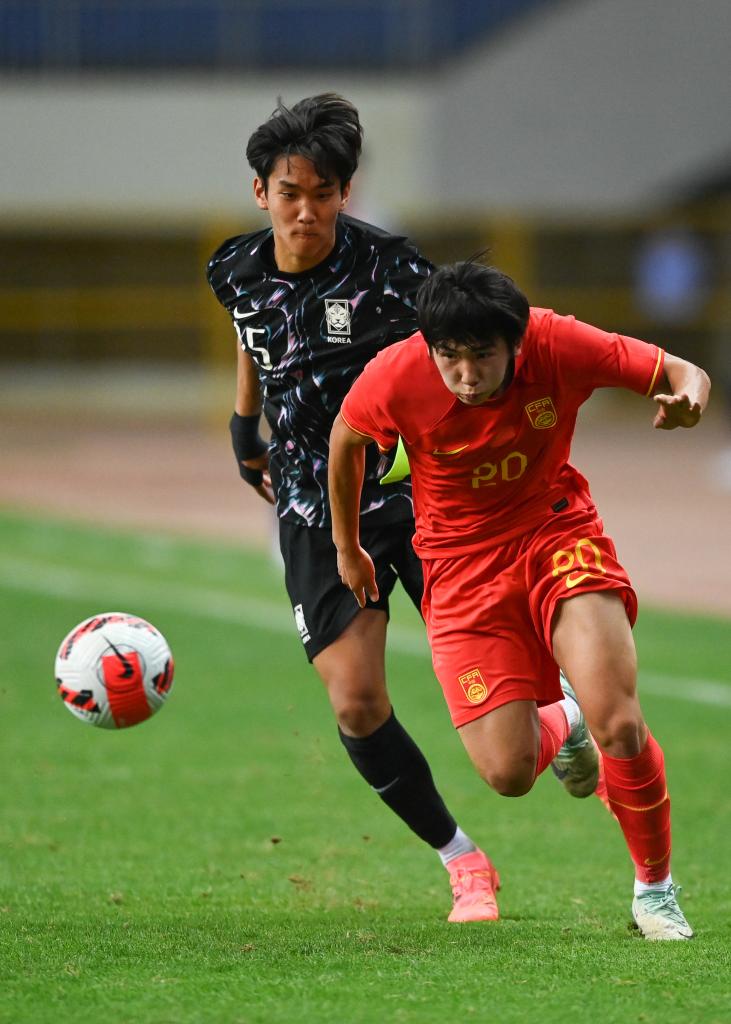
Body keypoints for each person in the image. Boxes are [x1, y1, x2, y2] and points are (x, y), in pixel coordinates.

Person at [329, 257, 711, 940]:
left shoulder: (558, 342)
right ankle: (564, 721)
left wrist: (688, 397)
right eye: (450, 357)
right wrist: (346, 546)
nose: (466, 375)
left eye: (482, 356)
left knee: (620, 722)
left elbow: (680, 371)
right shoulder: (396, 373)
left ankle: (654, 891)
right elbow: (345, 440)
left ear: (516, 342)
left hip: (554, 533)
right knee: (507, 773)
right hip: (459, 571)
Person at [207, 95, 521, 922]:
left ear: (346, 193)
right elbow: (252, 335)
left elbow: (461, 348)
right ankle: (462, 861)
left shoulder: (391, 269)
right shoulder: (231, 268)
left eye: (323, 193)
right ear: (260, 192)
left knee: (487, 681)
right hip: (313, 504)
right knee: (353, 700)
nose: (305, 212)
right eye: (289, 193)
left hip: (416, 496)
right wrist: (244, 427)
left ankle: (559, 717)